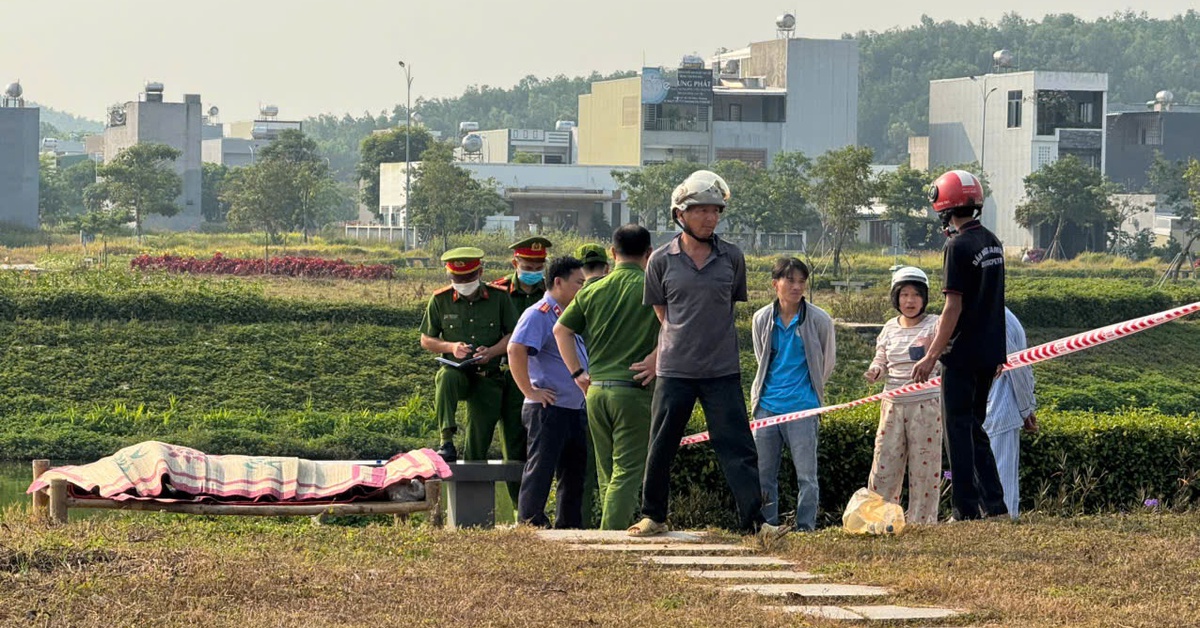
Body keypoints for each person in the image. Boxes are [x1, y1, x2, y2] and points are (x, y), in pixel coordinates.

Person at [627, 170, 786, 541]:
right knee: (661, 445)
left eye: (715, 211)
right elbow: (662, 310)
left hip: (721, 369)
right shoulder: (661, 261)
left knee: (737, 448)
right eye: (701, 211)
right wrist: (681, 339)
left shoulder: (732, 257)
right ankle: (653, 516)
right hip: (674, 368)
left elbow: (727, 303)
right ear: (680, 214)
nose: (710, 218)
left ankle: (756, 523)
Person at [912, 169, 1009, 521]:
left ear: (944, 207)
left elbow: (954, 306)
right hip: (988, 352)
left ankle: (965, 510)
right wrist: (999, 351)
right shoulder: (992, 242)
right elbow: (996, 302)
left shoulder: (958, 246)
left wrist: (931, 355)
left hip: (962, 354)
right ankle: (995, 505)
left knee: (957, 431)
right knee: (974, 428)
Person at [556, 225, 660, 530]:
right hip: (634, 390)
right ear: (649, 254)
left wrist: (578, 373)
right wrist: (656, 358)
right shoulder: (653, 286)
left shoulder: (592, 289)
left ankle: (609, 530)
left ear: (613, 254)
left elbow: (560, 330)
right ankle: (610, 540)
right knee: (627, 473)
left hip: (596, 391)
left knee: (607, 474)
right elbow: (676, 328)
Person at [750, 257, 835, 532]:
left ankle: (805, 526)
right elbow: (760, 357)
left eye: (801, 281)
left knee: (807, 477)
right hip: (767, 407)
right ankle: (767, 525)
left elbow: (827, 363)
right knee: (764, 475)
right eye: (790, 280)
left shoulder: (819, 319)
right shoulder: (762, 318)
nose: (796, 287)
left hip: (803, 407)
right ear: (775, 284)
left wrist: (809, 391)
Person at [419, 247, 522, 466]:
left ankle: (475, 483)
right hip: (457, 371)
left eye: (468, 277)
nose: (463, 281)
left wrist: (492, 351)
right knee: (445, 378)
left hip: (488, 375)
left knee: (479, 439)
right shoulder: (440, 299)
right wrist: (451, 346)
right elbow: (426, 339)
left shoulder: (499, 298)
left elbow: (514, 334)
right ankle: (446, 441)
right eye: (457, 277)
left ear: (480, 272)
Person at [508, 256, 589, 528]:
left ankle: (568, 525)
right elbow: (515, 349)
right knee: (541, 468)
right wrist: (530, 390)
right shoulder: (539, 313)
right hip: (547, 407)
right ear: (558, 282)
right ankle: (531, 521)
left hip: (574, 406)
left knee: (574, 471)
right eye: (579, 282)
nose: (583, 288)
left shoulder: (568, 316)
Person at [864, 266, 943, 524]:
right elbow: (881, 358)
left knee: (924, 468)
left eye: (916, 295)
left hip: (926, 405)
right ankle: (881, 521)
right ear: (896, 297)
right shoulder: (889, 327)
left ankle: (923, 523)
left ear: (925, 298)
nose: (910, 301)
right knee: (884, 464)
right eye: (904, 294)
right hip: (892, 405)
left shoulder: (935, 324)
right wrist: (876, 370)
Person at [984, 307, 1038, 519]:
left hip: (1000, 405)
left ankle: (1003, 521)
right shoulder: (995, 313)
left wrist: (1026, 409)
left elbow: (1018, 368)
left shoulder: (997, 317)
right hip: (993, 406)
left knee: (1001, 474)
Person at [492, 236, 554, 314]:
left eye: (539, 268)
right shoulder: (499, 291)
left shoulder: (550, 290)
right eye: (528, 268)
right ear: (515, 263)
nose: (533, 272)